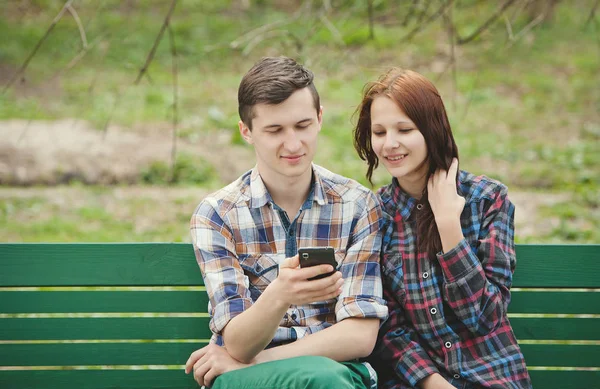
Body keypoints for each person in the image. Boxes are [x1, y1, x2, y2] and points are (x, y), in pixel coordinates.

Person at [185, 56, 389, 389]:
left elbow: (360, 334)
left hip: (329, 373)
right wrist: (279, 294)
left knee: (323, 379)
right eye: (275, 130)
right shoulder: (218, 213)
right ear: (247, 132)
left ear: (320, 119)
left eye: (303, 125)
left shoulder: (357, 206)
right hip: (248, 380)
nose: (293, 144)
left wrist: (252, 360)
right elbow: (237, 343)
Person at [353, 68, 532, 389]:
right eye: (379, 133)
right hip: (416, 381)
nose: (389, 144)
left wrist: (450, 228)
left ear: (431, 128)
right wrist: (433, 383)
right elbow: (389, 328)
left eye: (404, 129)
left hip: (491, 376)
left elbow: (485, 317)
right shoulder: (374, 214)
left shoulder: (487, 200)